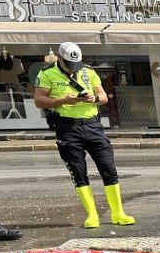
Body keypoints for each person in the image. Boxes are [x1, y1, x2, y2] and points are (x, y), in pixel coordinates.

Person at [34, 43, 135, 229]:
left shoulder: (88, 71)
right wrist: (64, 100)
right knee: (78, 173)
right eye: (69, 64)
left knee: (108, 168)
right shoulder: (46, 73)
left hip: (93, 126)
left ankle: (118, 213)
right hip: (67, 129)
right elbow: (39, 101)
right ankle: (92, 215)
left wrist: (94, 98)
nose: (74, 68)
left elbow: (103, 96)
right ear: (60, 58)